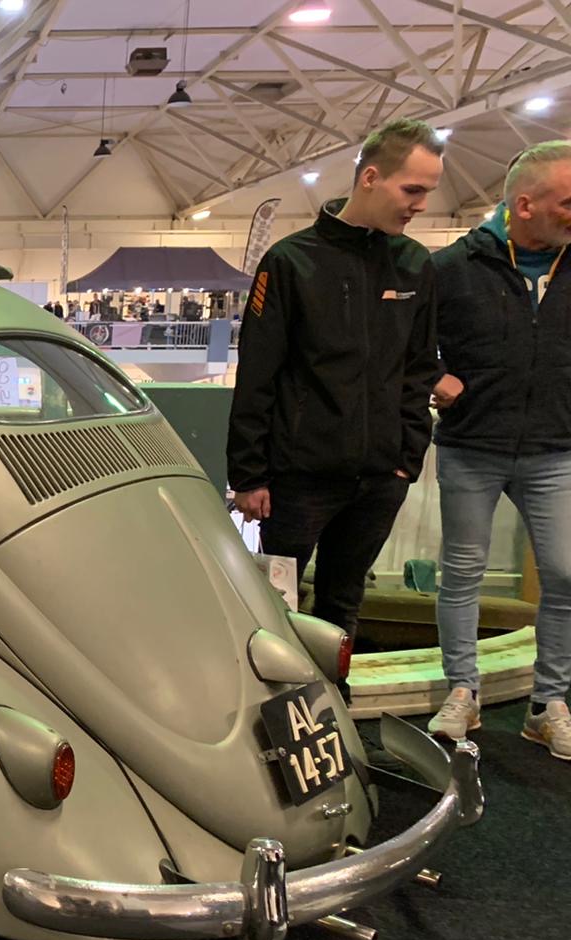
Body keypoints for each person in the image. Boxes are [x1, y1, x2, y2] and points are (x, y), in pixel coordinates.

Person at [228, 118, 445, 667]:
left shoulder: (415, 265)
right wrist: (249, 475)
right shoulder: (290, 262)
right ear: (370, 177)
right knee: (274, 607)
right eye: (412, 190)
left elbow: (420, 367)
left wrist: (406, 460)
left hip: (380, 480)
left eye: (428, 192)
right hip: (299, 480)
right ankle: (277, 707)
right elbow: (258, 373)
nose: (421, 205)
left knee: (343, 606)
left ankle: (335, 705)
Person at [426, 141, 571, 758]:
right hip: (472, 445)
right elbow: (408, 343)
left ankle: (548, 705)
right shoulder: (452, 267)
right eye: (569, 202)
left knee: (565, 575)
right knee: (461, 573)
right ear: (525, 204)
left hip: (557, 448)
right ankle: (463, 690)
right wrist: (434, 376)